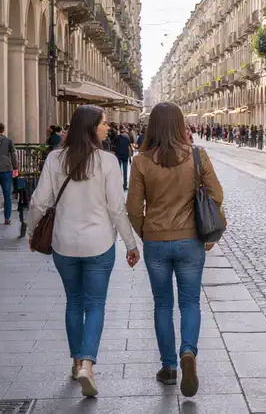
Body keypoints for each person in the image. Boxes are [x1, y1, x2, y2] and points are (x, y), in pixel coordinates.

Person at [28, 105, 138, 398]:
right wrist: (130, 243)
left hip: (64, 243)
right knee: (96, 305)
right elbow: (116, 208)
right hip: (99, 243)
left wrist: (30, 231)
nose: (107, 128)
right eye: (104, 123)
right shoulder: (108, 161)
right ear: (91, 127)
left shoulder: (55, 158)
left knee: (74, 302)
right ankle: (87, 364)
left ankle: (77, 361)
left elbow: (39, 201)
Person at [127, 102, 225, 398]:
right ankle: (188, 352)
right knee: (190, 302)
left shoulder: (141, 161)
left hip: (156, 240)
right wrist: (210, 231)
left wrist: (146, 233)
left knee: (162, 305)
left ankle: (169, 367)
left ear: (152, 127)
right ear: (181, 125)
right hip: (190, 239)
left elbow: (133, 208)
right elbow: (216, 194)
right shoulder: (197, 155)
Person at [113, 126, 134, 190]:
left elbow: (113, 145)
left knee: (118, 171)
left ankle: (118, 185)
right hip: (125, 156)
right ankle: (125, 185)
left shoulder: (116, 138)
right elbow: (129, 148)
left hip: (118, 156)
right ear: (124, 131)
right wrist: (130, 157)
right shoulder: (127, 138)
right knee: (125, 171)